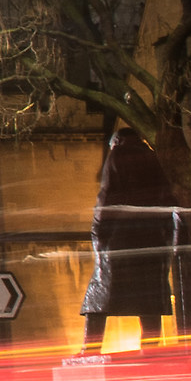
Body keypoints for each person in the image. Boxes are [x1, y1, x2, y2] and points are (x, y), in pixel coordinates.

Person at [79, 123, 176, 351]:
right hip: (152, 237)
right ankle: (151, 348)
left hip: (120, 236)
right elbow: (167, 199)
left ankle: (91, 348)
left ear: (116, 141)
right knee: (149, 298)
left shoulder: (118, 155)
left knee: (98, 295)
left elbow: (107, 195)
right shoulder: (155, 158)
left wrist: (98, 231)